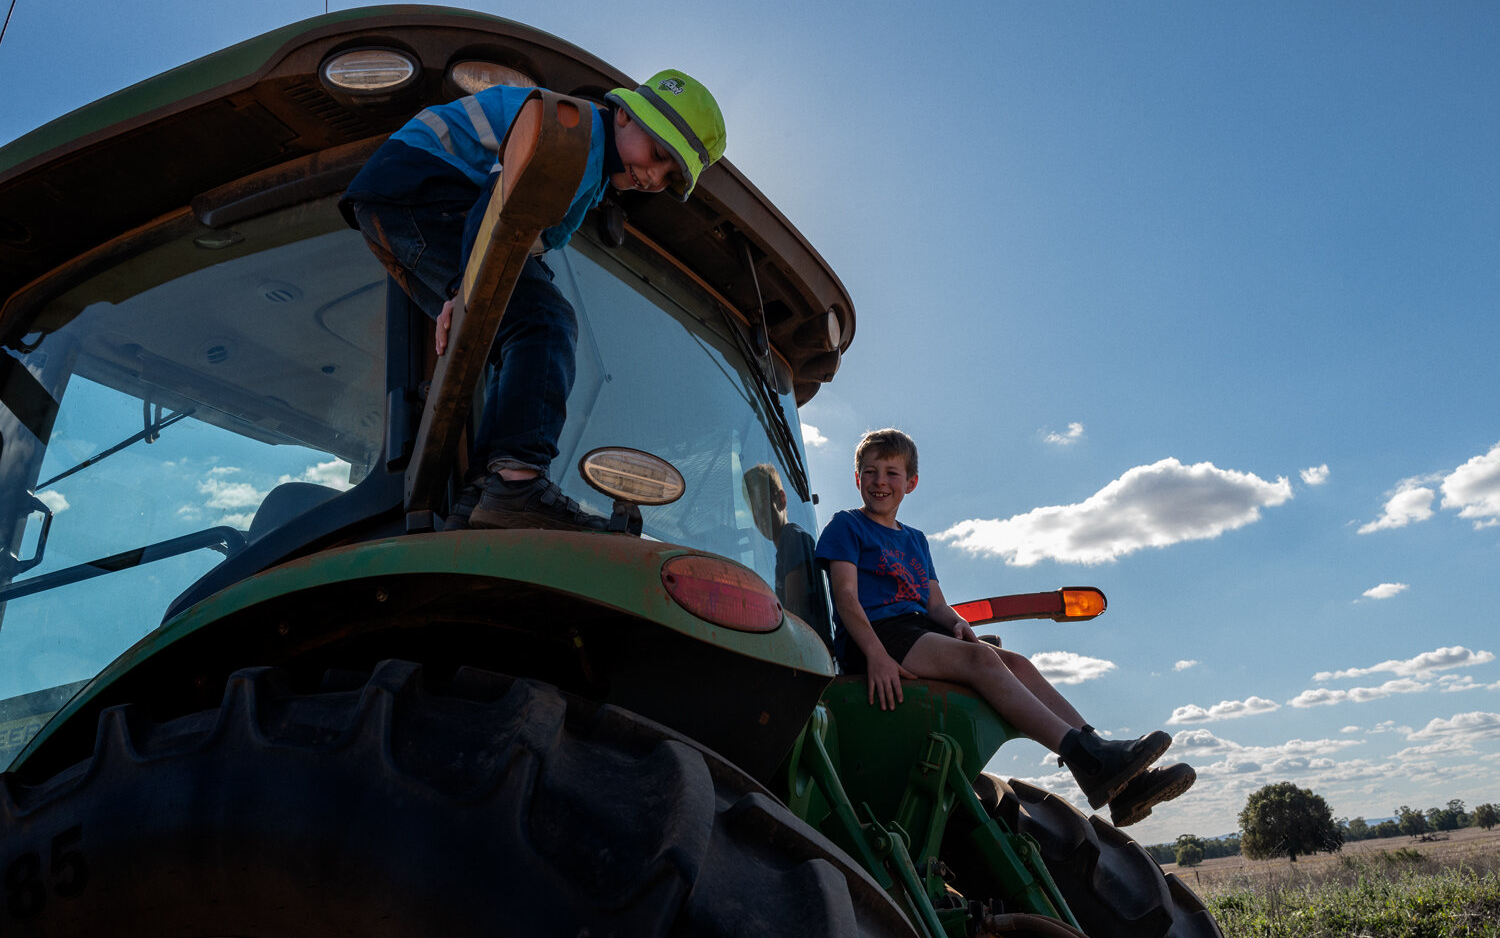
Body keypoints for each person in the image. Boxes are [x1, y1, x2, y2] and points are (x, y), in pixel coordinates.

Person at [342, 70, 726, 530]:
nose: (653, 176)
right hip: (419, 185)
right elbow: (496, 208)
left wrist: (459, 291)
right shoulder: (573, 135)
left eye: (670, 177)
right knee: (545, 319)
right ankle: (516, 480)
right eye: (659, 155)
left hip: (399, 204)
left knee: (519, 320)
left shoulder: (592, 177)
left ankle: (484, 491)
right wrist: (468, 282)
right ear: (623, 114)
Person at [814, 428, 1194, 828]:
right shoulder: (847, 526)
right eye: (870, 472)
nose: (879, 482)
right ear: (857, 479)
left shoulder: (915, 540)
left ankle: (1116, 776)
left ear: (911, 483)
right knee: (981, 660)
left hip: (916, 629)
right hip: (876, 635)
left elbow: (936, 605)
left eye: (891, 473)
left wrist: (957, 623)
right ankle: (1089, 761)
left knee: (1017, 664)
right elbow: (846, 598)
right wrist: (875, 655)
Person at [743, 463, 833, 650]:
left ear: (781, 500)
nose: (759, 517)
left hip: (806, 648)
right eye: (754, 511)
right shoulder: (783, 546)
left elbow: (794, 609)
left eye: (761, 506)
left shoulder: (793, 537)